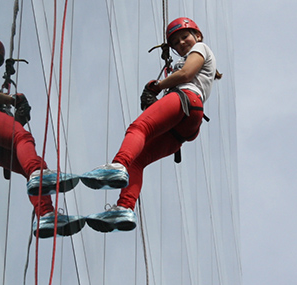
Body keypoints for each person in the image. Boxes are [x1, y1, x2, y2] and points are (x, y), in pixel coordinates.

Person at [80, 18, 221, 233]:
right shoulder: (188, 59)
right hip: (189, 122)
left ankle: (117, 165)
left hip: (186, 99)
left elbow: (185, 75)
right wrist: (157, 97)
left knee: (138, 128)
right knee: (137, 161)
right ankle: (124, 208)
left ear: (197, 36)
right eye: (176, 42)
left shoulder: (201, 48)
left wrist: (157, 87)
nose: (181, 43)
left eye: (185, 37)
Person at [0, 36, 83, 238]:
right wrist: (12, 99)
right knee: (24, 141)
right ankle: (38, 177)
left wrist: (17, 117)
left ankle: (46, 215)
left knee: (31, 166)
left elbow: (5, 128)